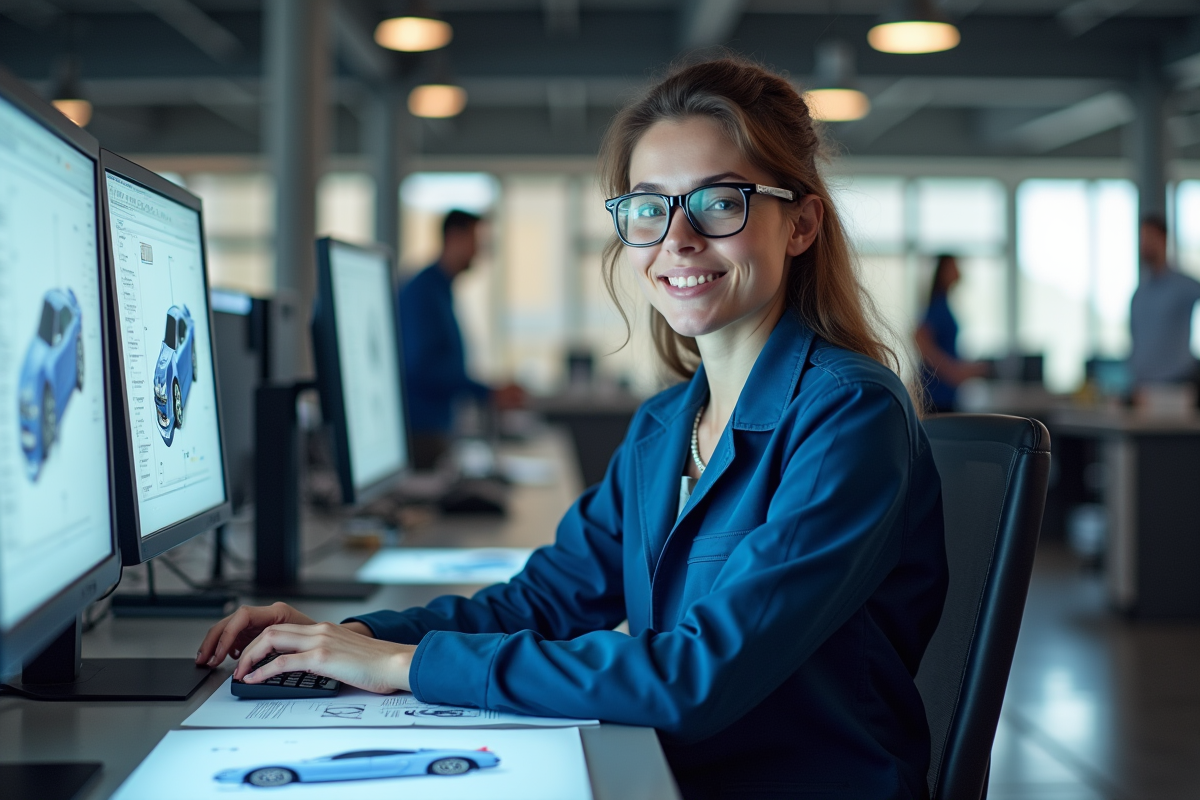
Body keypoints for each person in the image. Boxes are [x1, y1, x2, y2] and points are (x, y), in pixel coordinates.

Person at [196, 58, 948, 799]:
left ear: (802, 224)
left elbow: (696, 675)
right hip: (671, 770)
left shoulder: (849, 414)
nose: (676, 239)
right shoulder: (664, 425)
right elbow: (541, 603)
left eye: (721, 202)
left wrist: (402, 667)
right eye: (650, 207)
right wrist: (353, 638)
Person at [397, 209, 523, 468]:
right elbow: (422, 368)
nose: (479, 252)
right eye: (476, 242)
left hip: (437, 429)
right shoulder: (423, 292)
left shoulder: (440, 290)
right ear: (455, 237)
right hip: (421, 434)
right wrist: (487, 391)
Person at [1128, 214, 1200, 390]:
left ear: (1164, 240)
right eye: (1142, 238)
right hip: (1144, 388)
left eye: (1150, 237)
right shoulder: (1139, 294)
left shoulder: (1183, 286)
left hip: (1177, 385)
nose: (1145, 244)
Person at [914, 254, 988, 413]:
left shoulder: (944, 304)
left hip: (946, 396)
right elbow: (919, 339)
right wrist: (953, 371)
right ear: (943, 271)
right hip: (935, 397)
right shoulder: (938, 306)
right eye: (954, 266)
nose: (958, 271)